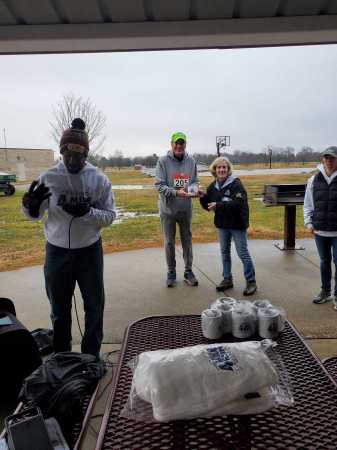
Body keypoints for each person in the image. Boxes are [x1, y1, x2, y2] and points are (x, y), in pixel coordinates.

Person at [22, 118, 116, 357]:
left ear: (86, 154)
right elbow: (35, 215)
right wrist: (30, 208)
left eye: (80, 156)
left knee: (94, 306)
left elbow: (109, 217)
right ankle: (62, 355)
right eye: (68, 156)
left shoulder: (99, 179)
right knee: (58, 308)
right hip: (56, 251)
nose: (74, 161)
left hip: (89, 251)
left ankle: (91, 356)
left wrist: (87, 212)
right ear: (62, 151)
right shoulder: (49, 177)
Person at [199, 156, 257, 296]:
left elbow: (238, 204)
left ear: (228, 169)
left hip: (237, 225)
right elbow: (208, 206)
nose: (222, 169)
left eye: (224, 167)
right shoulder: (212, 187)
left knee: (242, 253)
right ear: (215, 170)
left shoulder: (236, 184)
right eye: (219, 167)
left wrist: (218, 205)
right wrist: (202, 197)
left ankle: (251, 282)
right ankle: (227, 279)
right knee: (225, 253)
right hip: (223, 225)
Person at [155, 132, 199, 288]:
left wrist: (195, 191)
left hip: (185, 209)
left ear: (185, 145)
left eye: (182, 143)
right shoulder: (163, 161)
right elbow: (159, 185)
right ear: (171, 144)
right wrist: (176, 192)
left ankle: (188, 272)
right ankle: (171, 272)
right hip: (168, 210)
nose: (179, 146)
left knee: (187, 241)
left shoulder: (191, 161)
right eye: (176, 143)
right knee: (169, 242)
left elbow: (194, 182)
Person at [304, 146, 337, 308]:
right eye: (326, 158)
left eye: (332, 158)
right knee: (325, 262)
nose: (329, 161)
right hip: (320, 230)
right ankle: (325, 291)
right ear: (323, 160)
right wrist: (309, 223)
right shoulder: (313, 180)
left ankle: (336, 295)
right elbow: (308, 204)